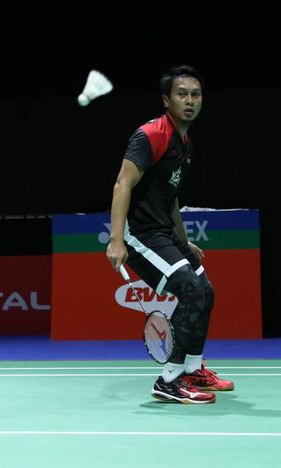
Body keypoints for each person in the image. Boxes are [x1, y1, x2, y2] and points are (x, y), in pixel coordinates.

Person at [105, 65, 233, 404]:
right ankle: (169, 380)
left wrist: (183, 239)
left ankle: (192, 369)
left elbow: (170, 196)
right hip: (140, 234)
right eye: (182, 94)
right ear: (167, 100)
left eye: (195, 94)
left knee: (205, 291)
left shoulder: (184, 143)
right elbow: (122, 183)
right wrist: (116, 239)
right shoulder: (152, 135)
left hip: (163, 231)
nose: (189, 100)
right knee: (190, 289)